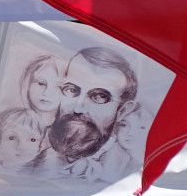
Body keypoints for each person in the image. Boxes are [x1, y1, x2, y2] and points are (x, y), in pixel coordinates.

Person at [27, 46, 138, 181]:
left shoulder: (132, 172)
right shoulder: (29, 162)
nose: (79, 108)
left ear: (122, 111)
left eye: (99, 96)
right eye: (72, 90)